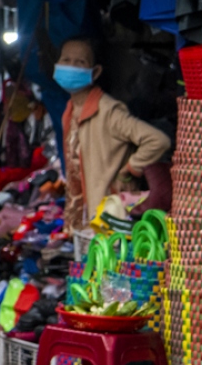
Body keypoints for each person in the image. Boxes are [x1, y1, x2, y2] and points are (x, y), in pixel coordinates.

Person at [54, 37, 171, 230]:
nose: (71, 66)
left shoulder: (108, 111)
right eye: (66, 60)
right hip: (85, 216)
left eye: (80, 62)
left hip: (112, 215)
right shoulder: (70, 110)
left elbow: (158, 140)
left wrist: (130, 169)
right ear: (57, 65)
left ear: (95, 71)